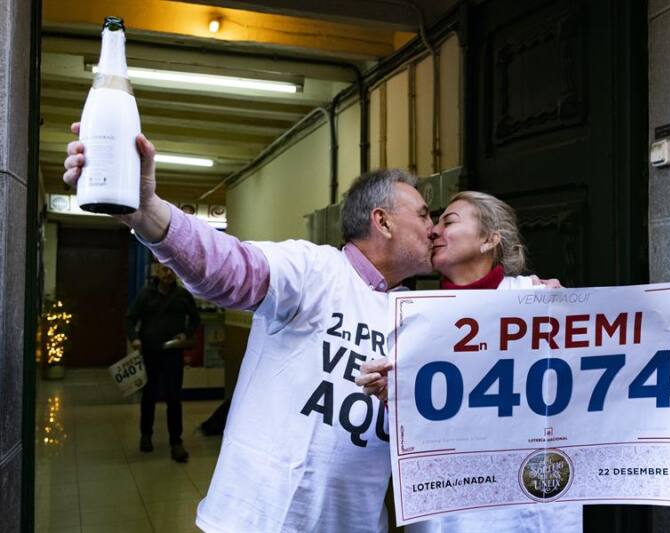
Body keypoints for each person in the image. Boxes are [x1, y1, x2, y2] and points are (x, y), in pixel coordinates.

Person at [64, 123, 434, 532]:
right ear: (382, 222)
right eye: (424, 214)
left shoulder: (415, 314)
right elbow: (229, 268)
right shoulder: (313, 270)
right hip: (257, 521)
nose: (433, 227)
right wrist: (148, 211)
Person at [357, 191, 670, 532]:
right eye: (434, 223)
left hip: (531, 512)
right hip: (455, 515)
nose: (433, 231)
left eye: (448, 221)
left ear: (489, 239)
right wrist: (391, 392)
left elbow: (600, 377)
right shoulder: (412, 320)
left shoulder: (543, 300)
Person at [127, 262, 200, 462]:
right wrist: (134, 338)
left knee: (174, 398)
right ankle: (146, 436)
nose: (168, 273)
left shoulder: (183, 296)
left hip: (173, 353)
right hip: (150, 352)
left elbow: (195, 320)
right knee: (149, 395)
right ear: (157, 272)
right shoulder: (145, 295)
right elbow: (130, 319)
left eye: (172, 270)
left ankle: (176, 443)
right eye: (164, 270)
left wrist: (186, 334)